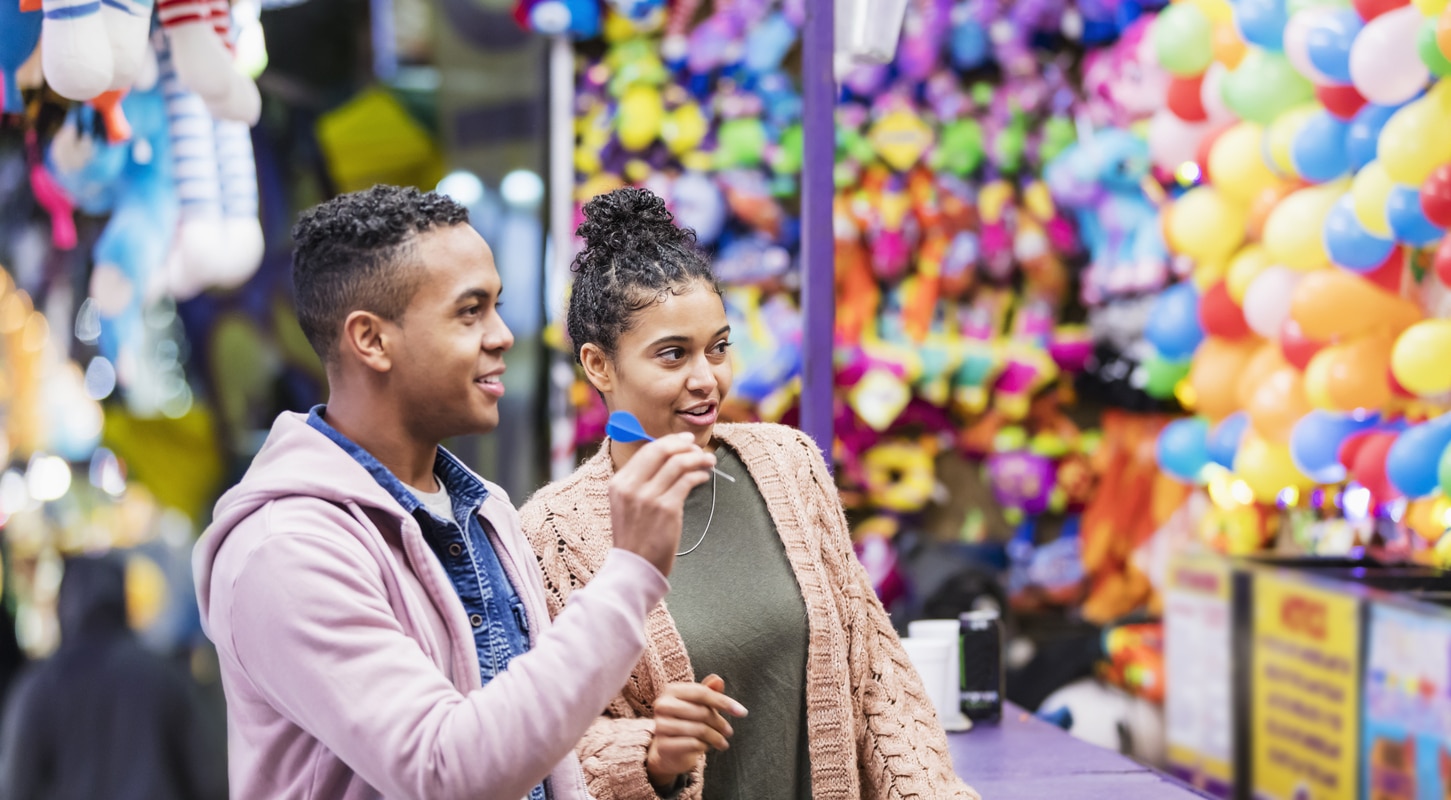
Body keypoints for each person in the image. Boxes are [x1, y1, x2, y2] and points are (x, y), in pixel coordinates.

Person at [192, 185, 716, 800]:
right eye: (470, 312)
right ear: (371, 340)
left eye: (497, 306)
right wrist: (628, 575)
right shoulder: (283, 550)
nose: (502, 336)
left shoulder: (484, 508)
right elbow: (446, 771)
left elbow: (538, 754)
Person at [520, 186, 980, 800]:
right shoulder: (551, 533)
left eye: (719, 347)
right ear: (599, 366)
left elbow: (874, 673)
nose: (706, 378)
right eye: (672, 355)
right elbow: (540, 744)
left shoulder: (787, 465)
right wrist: (649, 755)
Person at [0, 553, 227, 800]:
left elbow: (15, 786)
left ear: (64, 604)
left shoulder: (39, 687)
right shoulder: (163, 676)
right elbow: (208, 776)